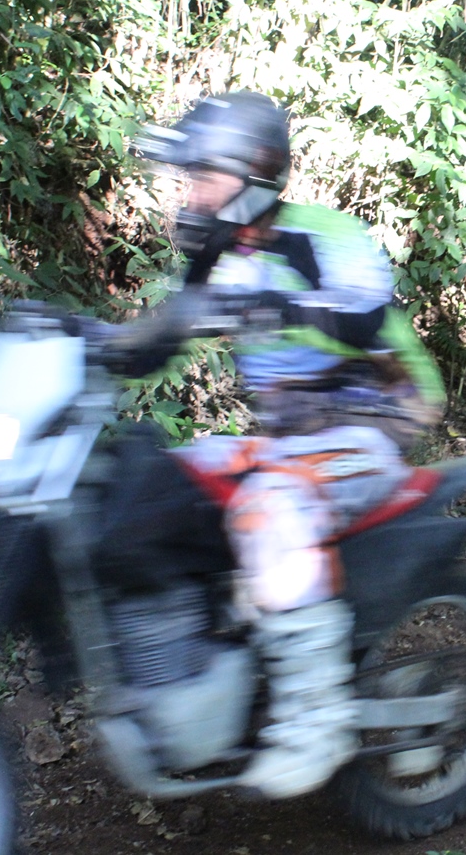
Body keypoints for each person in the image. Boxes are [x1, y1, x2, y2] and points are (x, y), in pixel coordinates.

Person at [118, 91, 445, 798]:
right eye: (188, 180)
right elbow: (157, 344)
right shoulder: (219, 255)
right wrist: (75, 340)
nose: (192, 194)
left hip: (375, 414)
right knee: (162, 482)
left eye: (205, 176)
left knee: (273, 504)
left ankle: (316, 719)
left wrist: (268, 306)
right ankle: (205, 664)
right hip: (288, 435)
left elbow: (361, 319)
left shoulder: (326, 234)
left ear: (256, 172)